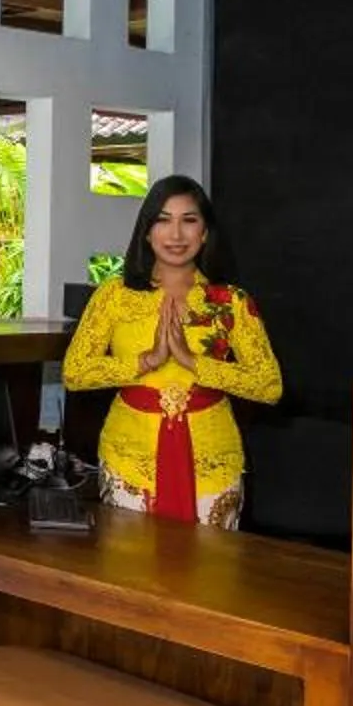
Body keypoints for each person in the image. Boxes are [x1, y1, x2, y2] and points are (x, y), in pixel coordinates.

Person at [59, 176, 282, 527]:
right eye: (163, 220)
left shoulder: (231, 302)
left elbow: (269, 385)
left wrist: (194, 363)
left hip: (212, 458)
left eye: (189, 220)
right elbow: (74, 372)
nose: (176, 235)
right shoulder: (113, 296)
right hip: (130, 456)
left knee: (212, 573)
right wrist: (146, 361)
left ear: (205, 232)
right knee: (128, 570)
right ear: (147, 232)